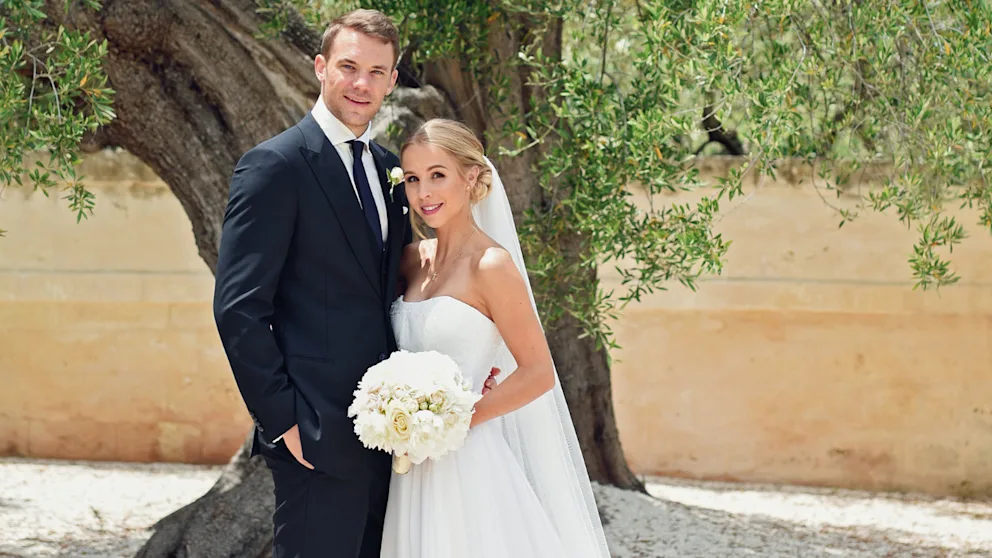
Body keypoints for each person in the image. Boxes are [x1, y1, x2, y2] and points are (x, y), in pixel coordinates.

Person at [212, 10, 496, 558]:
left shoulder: (393, 171)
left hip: (394, 437)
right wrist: (285, 423)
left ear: (392, 80)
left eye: (376, 71)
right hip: (313, 436)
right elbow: (239, 310)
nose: (361, 83)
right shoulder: (274, 166)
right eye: (348, 66)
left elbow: (399, 294)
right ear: (321, 68)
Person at [381, 118, 611, 557]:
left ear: (470, 177)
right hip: (405, 463)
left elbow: (538, 372)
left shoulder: (491, 265)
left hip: (467, 462)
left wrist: (454, 419)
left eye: (437, 175)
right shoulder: (411, 260)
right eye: (412, 179)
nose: (423, 193)